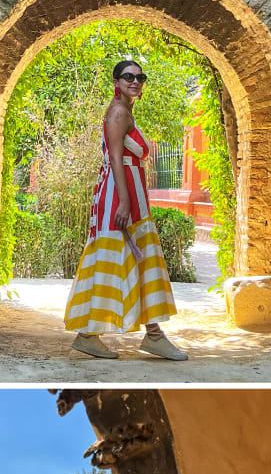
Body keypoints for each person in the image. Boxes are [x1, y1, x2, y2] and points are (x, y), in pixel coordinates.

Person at [64, 59, 187, 360]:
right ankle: (94, 334)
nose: (136, 81)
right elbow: (117, 159)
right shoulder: (119, 112)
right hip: (121, 194)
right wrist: (125, 201)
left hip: (131, 192)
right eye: (128, 76)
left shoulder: (126, 111)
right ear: (116, 82)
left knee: (134, 258)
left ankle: (149, 334)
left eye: (140, 77)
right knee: (118, 258)